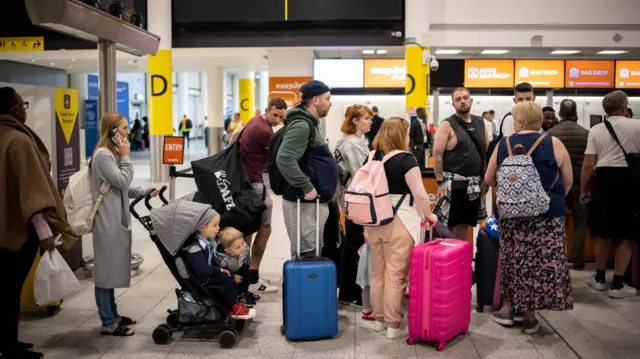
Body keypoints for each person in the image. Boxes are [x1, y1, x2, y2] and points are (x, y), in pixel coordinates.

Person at [0, 87, 77, 359]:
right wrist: (45, 234)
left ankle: (8, 342)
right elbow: (33, 194)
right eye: (23, 105)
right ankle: (9, 346)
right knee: (11, 289)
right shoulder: (18, 141)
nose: (25, 109)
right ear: (13, 110)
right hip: (17, 232)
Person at [485, 101, 573, 334]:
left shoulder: (504, 144)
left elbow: (489, 179)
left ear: (520, 122)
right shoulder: (554, 143)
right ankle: (530, 316)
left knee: (513, 260)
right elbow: (568, 179)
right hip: (548, 214)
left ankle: (507, 308)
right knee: (539, 264)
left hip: (513, 215)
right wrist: (548, 197)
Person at [364, 117, 438, 339]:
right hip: (400, 221)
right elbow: (420, 195)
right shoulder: (407, 160)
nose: (408, 138)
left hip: (374, 221)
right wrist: (430, 215)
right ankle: (393, 325)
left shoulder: (373, 156)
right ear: (401, 135)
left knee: (377, 274)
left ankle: (378, 320)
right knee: (396, 275)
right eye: (406, 134)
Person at [90, 113, 158, 336]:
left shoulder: (111, 154)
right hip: (106, 220)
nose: (128, 132)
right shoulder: (103, 156)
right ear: (112, 131)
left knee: (111, 270)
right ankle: (107, 322)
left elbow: (121, 187)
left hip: (115, 217)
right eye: (124, 128)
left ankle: (114, 314)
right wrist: (127, 157)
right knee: (104, 271)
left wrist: (144, 191)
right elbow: (121, 180)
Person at [581, 90, 640, 298]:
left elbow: (588, 165)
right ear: (625, 107)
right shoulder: (637, 125)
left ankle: (599, 278)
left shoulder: (596, 129)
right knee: (626, 233)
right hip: (630, 183)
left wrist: (584, 189)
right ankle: (618, 283)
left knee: (602, 232)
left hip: (604, 182)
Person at [276, 80, 339, 258]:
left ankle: (308, 284)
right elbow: (285, 158)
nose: (330, 103)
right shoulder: (302, 125)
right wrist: (307, 186)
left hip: (311, 204)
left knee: (311, 250)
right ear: (315, 100)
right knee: (306, 252)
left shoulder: (310, 122)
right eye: (327, 98)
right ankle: (303, 285)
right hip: (303, 202)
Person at [239, 98, 288, 294]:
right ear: (267, 110)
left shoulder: (254, 121)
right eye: (275, 115)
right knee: (265, 228)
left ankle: (246, 274)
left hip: (247, 181)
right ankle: (253, 275)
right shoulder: (264, 131)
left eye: (282, 117)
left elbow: (234, 137)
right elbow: (282, 156)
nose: (278, 120)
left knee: (250, 228)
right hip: (255, 183)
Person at [432, 87, 488, 241]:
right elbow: (437, 154)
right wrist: (440, 181)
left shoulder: (481, 122)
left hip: (474, 183)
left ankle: (461, 261)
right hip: (453, 183)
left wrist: (485, 178)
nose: (462, 101)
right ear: (453, 104)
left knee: (465, 225)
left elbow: (484, 152)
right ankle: (449, 261)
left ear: (470, 100)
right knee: (448, 225)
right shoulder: (447, 125)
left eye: (465, 97)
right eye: (458, 99)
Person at [182, 209, 255, 319]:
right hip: (202, 280)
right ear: (202, 227)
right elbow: (201, 270)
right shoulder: (195, 248)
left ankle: (233, 303)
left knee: (229, 275)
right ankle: (232, 306)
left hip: (207, 275)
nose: (218, 228)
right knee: (227, 280)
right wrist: (219, 270)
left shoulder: (208, 243)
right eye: (215, 225)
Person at [333, 104, 372, 309]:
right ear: (355, 121)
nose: (370, 121)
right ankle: (349, 291)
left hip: (353, 198)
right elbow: (361, 174)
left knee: (353, 241)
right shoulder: (352, 145)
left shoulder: (355, 141)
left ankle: (349, 288)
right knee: (354, 243)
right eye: (366, 118)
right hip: (355, 198)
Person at [547, 99, 589, 270]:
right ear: (576, 114)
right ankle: (578, 259)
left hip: (558, 186)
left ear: (560, 114)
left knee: (556, 222)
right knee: (581, 222)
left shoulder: (550, 134)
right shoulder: (586, 134)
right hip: (580, 185)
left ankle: (557, 258)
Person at [215, 227, 254, 306]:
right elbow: (220, 271)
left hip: (240, 266)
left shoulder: (244, 248)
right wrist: (233, 276)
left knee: (246, 274)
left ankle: (244, 292)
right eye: (238, 247)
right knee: (230, 282)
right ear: (227, 250)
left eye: (242, 243)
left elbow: (246, 256)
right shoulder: (221, 259)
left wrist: (248, 265)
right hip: (229, 271)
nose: (242, 248)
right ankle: (236, 296)